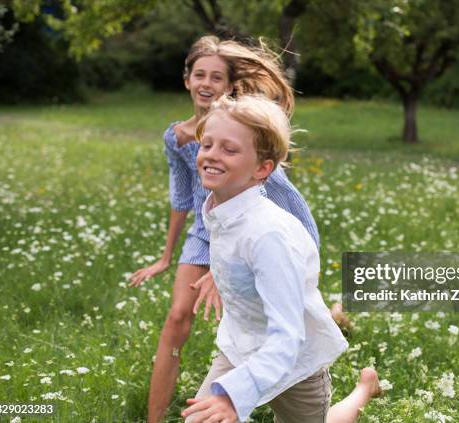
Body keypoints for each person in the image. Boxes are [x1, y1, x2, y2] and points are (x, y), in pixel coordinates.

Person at [127, 35, 322, 423]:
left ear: (229, 86)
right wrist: (168, 257)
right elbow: (183, 199)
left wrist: (228, 272)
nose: (206, 83)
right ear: (186, 80)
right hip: (212, 239)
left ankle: (357, 385)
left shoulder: (252, 152)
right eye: (199, 74)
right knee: (178, 316)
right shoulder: (179, 139)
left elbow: (296, 221)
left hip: (286, 341)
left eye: (216, 77)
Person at [181, 94, 380, 423]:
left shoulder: (269, 235)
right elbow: (237, 249)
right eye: (208, 144)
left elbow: (287, 336)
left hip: (294, 361)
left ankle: (364, 389)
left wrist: (234, 396)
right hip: (242, 346)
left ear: (262, 168)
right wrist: (225, 275)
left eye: (229, 149)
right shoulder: (222, 206)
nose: (212, 155)